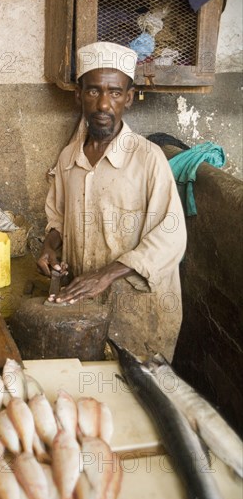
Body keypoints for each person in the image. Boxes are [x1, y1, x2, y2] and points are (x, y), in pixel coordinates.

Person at [37, 41, 187, 361]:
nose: (103, 104)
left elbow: (171, 237)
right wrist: (50, 246)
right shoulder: (68, 159)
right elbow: (59, 219)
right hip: (87, 307)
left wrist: (106, 274)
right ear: (79, 95)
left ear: (128, 98)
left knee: (135, 397)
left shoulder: (148, 159)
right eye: (93, 91)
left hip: (137, 315)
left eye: (115, 92)